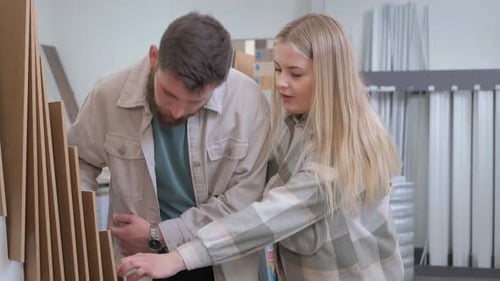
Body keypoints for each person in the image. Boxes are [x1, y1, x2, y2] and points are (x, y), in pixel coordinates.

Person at [117, 13, 404, 281]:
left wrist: (177, 258)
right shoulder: (295, 126)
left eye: (295, 73)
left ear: (329, 76)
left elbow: (268, 217)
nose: (280, 83)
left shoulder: (343, 151)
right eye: (278, 69)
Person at [67, 12, 271, 281]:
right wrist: (80, 231)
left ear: (219, 85)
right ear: (154, 57)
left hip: (222, 262)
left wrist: (159, 235)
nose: (176, 112)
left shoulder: (248, 101)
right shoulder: (108, 94)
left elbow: (244, 201)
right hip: (136, 262)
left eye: (195, 103)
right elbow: (77, 161)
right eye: (169, 94)